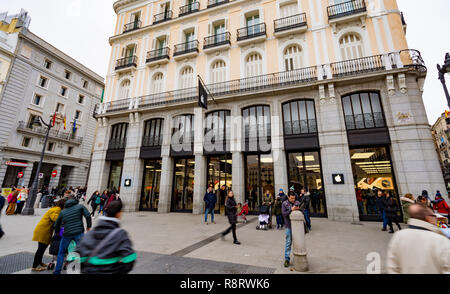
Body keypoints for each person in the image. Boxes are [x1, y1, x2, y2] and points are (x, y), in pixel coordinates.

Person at [68, 201, 136, 274]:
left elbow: (73, 257)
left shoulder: (89, 234)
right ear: (118, 214)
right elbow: (130, 258)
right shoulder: (120, 234)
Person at [387, 204, 450, 274]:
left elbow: (393, 267)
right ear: (429, 218)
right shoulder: (441, 241)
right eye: (434, 216)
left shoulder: (398, 236)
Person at [53, 197, 92, 274]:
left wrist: (57, 232)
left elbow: (56, 224)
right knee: (82, 251)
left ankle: (57, 271)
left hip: (67, 234)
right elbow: (88, 215)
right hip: (79, 232)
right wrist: (88, 226)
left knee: (61, 252)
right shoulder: (80, 206)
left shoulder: (63, 212)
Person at [31, 199, 66, 272]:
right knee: (40, 249)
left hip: (45, 230)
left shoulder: (56, 209)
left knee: (42, 248)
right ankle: (34, 266)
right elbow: (55, 219)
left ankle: (39, 262)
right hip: (44, 231)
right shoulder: (57, 210)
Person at [282, 192, 301, 268]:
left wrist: (299, 209)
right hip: (288, 226)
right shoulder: (284, 203)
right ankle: (287, 259)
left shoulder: (297, 202)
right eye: (291, 198)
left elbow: (303, 211)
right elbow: (284, 214)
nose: (293, 200)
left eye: (294, 198)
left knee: (299, 242)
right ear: (288, 197)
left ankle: (299, 257)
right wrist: (291, 209)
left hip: (297, 227)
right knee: (288, 243)